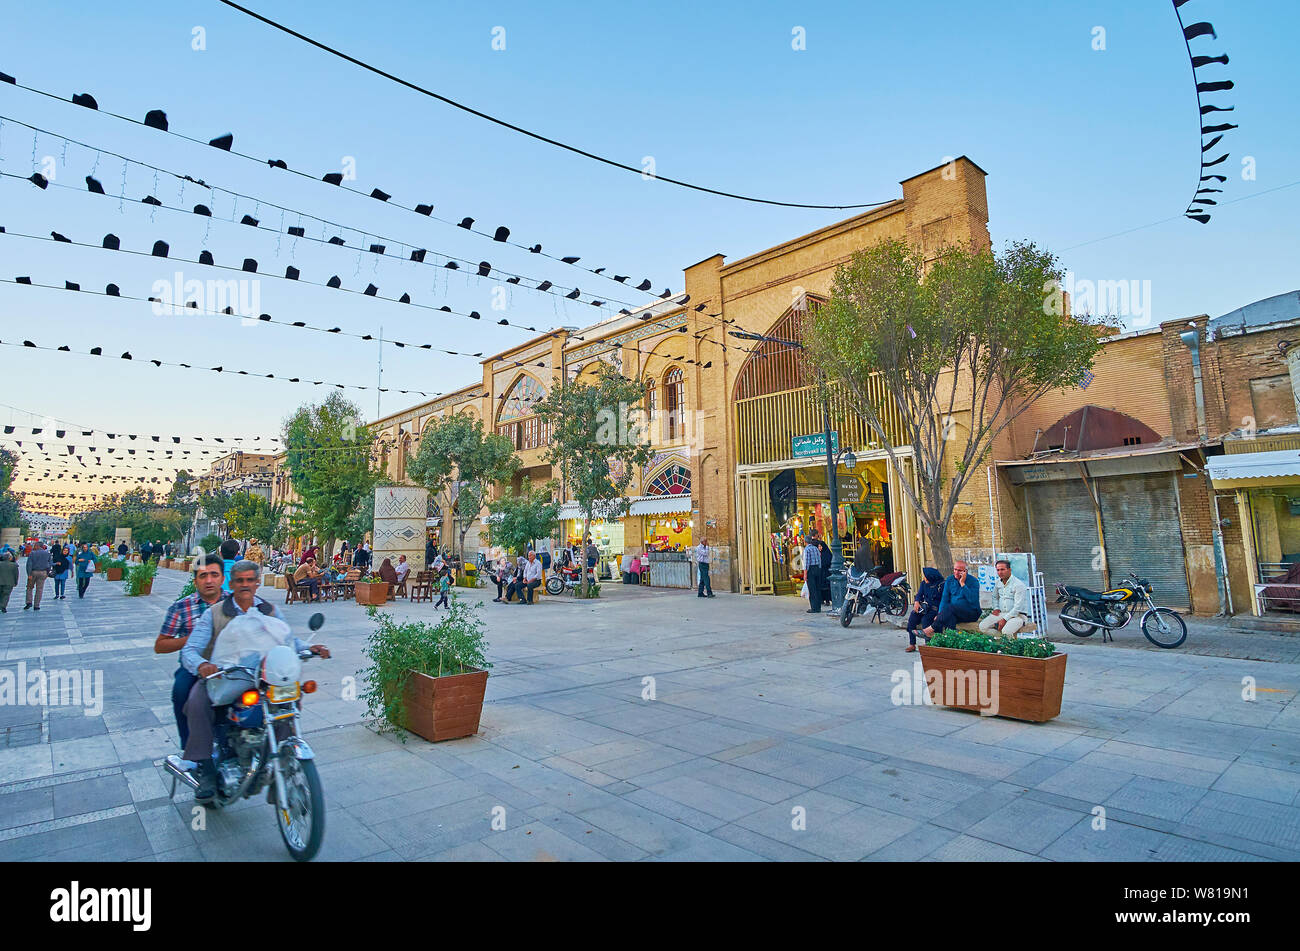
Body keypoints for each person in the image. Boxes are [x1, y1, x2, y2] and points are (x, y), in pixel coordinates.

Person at [180, 560, 330, 801]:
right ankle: (205, 769)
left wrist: (309, 647)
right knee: (198, 702)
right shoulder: (215, 613)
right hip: (225, 677)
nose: (245, 585)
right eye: (240, 580)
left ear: (258, 583)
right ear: (232, 583)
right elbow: (190, 650)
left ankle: (281, 763)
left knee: (290, 697)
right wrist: (202, 665)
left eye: (250, 580)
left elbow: (286, 638)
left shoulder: (269, 610)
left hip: (264, 679)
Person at [155, 555, 226, 751]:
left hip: (228, 664)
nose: (209, 580)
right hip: (194, 667)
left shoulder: (233, 602)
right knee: (180, 691)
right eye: (203, 576)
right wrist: (193, 639)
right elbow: (160, 645)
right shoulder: (181, 607)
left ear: (222, 578)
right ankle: (189, 749)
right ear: (195, 580)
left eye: (214, 575)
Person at [923, 560, 981, 636]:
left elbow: (972, 600)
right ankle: (949, 641)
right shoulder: (950, 580)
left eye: (959, 570)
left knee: (950, 608)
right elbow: (944, 599)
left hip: (971, 612)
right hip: (954, 612)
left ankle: (929, 630)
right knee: (949, 617)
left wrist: (962, 584)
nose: (956, 572)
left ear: (965, 571)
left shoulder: (974, 581)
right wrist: (940, 614)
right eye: (955, 569)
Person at [980, 559, 1031, 636]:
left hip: (1018, 616)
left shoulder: (1018, 585)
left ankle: (1009, 645)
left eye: (1002, 569)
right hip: (1002, 613)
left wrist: (1004, 619)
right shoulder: (997, 582)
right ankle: (1001, 641)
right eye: (998, 570)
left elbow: (1018, 607)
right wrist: (996, 608)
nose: (1000, 572)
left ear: (1009, 570)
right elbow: (994, 597)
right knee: (983, 627)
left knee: (1006, 631)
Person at [905, 567, 945, 652]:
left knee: (925, 620)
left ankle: (928, 643)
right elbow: (919, 594)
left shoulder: (941, 585)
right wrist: (916, 602)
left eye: (926, 577)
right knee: (912, 617)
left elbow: (944, 600)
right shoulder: (924, 583)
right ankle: (912, 644)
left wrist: (940, 613)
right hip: (925, 607)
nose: (924, 578)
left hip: (935, 609)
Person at [24, 541, 52, 611]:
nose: (33, 547)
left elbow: (29, 564)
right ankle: (37, 605)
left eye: (34, 545)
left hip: (33, 572)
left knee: (29, 587)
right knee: (39, 589)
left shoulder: (32, 553)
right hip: (43, 572)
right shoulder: (47, 553)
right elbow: (49, 564)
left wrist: (29, 574)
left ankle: (29, 602)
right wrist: (47, 573)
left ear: (37, 546)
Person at [803, 530, 823, 614]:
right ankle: (818, 607)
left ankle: (814, 608)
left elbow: (806, 563)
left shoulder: (807, 550)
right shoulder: (815, 548)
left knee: (812, 589)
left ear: (805, 542)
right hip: (817, 569)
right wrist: (819, 568)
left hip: (811, 570)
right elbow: (819, 559)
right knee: (818, 588)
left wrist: (805, 574)